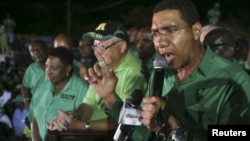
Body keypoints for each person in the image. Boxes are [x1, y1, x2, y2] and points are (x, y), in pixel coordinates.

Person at [49, 0, 250, 141]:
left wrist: (176, 127)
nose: (160, 42)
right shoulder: (161, 74)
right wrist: (111, 98)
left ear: (196, 31)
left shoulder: (234, 80)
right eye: (155, 34)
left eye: (171, 31)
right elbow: (142, 135)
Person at [47, 21, 148, 137]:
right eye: (95, 46)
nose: (97, 52)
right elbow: (88, 104)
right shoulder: (102, 65)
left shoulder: (135, 73)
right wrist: (69, 118)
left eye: (103, 46)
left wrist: (82, 125)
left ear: (122, 46)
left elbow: (127, 121)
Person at [31, 47, 89, 141]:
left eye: (53, 68)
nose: (48, 71)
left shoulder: (82, 89)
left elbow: (82, 122)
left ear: (67, 68)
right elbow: (35, 117)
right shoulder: (42, 86)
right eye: (47, 66)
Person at [21, 39, 48, 121]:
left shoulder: (56, 64)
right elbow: (24, 86)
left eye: (39, 49)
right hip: (37, 110)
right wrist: (26, 102)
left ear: (46, 49)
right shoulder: (31, 69)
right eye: (32, 51)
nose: (36, 52)